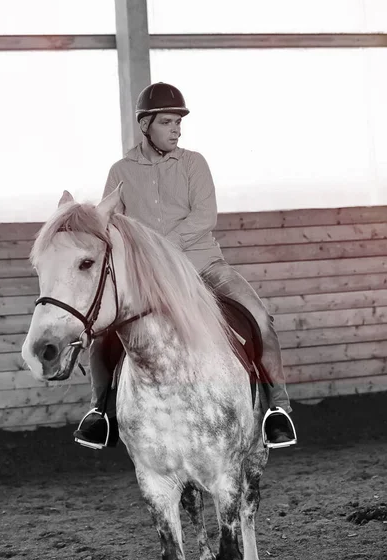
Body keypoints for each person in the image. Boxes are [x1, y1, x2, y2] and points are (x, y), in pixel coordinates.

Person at [73, 82, 296, 450]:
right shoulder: (120, 171)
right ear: (146, 125)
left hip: (204, 265)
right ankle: (100, 412)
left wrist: (161, 248)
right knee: (102, 335)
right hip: (149, 280)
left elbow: (204, 216)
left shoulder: (194, 163)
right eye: (167, 122)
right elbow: (114, 224)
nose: (176, 129)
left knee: (259, 317)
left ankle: (277, 410)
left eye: (178, 122)